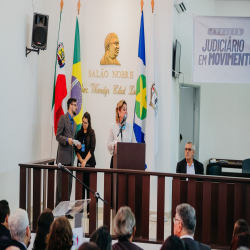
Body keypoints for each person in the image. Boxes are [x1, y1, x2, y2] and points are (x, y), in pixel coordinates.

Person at [56, 97, 81, 208]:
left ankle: (65, 210)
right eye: (75, 105)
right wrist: (67, 140)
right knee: (61, 187)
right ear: (70, 106)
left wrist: (77, 144)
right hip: (62, 159)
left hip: (71, 159)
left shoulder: (75, 124)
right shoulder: (62, 118)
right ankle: (58, 211)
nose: (76, 107)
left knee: (69, 186)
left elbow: (73, 139)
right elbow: (58, 136)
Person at [75, 112, 96, 213]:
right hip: (80, 163)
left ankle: (89, 211)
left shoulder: (92, 133)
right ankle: (80, 209)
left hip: (89, 163)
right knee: (81, 187)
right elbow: (76, 149)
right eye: (83, 122)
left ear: (89, 123)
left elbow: (92, 149)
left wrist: (85, 161)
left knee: (89, 186)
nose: (84, 124)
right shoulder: (78, 133)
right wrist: (81, 161)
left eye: (86, 123)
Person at [107, 100, 136, 168]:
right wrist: (115, 143)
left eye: (126, 109)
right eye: (123, 109)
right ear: (118, 111)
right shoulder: (113, 127)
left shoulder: (130, 127)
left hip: (128, 161)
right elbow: (108, 144)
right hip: (115, 161)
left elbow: (135, 143)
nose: (126, 111)